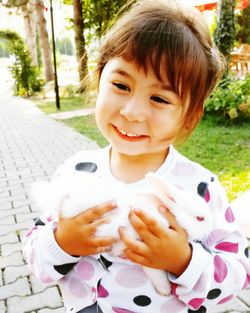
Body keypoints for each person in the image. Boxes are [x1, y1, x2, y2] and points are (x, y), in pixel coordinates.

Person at [22, 1, 250, 312]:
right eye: (120, 85)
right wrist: (62, 242)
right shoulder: (76, 171)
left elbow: (238, 275)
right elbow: (36, 258)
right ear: (99, 79)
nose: (132, 112)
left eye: (159, 98)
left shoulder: (199, 187)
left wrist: (183, 261)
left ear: (190, 115)